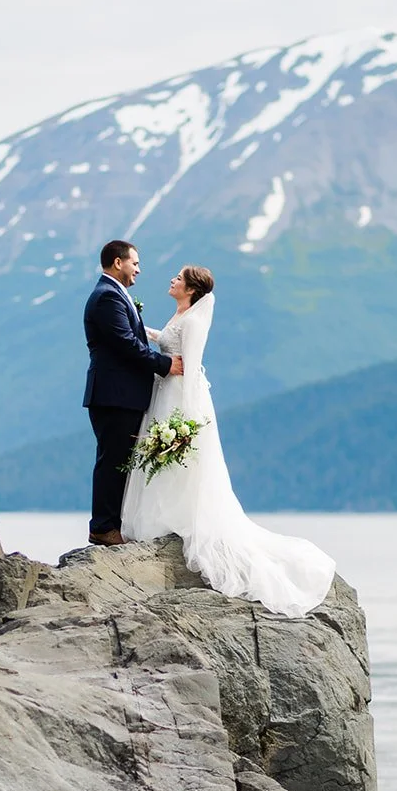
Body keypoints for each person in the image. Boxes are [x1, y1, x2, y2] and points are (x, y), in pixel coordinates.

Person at [121, 264, 335, 619]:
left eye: (178, 278)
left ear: (190, 289)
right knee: (162, 460)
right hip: (165, 391)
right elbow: (167, 341)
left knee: (178, 460)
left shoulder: (193, 321)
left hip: (179, 396)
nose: (172, 280)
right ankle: (162, 519)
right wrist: (139, 328)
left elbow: (191, 362)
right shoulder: (181, 315)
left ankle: (177, 517)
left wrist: (186, 418)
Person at [83, 240, 183, 546]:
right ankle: (102, 527)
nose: (138, 269)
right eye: (135, 263)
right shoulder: (107, 298)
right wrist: (165, 364)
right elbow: (126, 344)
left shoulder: (113, 295)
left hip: (120, 394)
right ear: (118, 263)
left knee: (118, 459)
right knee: (112, 461)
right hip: (114, 395)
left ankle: (111, 524)